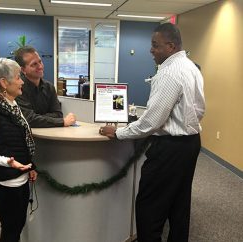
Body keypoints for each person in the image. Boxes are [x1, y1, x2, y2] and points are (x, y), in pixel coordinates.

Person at [99, 23, 205, 242]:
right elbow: (199, 109)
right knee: (179, 203)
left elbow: (151, 122)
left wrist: (118, 133)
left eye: (155, 45)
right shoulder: (191, 67)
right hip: (191, 143)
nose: (151, 50)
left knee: (149, 208)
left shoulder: (169, 73)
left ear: (171, 46)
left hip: (169, 149)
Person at [0, 58, 37, 242]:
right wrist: (7, 161)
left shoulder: (11, 105)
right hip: (5, 183)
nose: (22, 81)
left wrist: (31, 166)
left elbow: (22, 140)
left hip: (21, 179)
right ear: (4, 82)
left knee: (17, 226)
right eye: (18, 77)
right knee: (10, 231)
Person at [14, 46, 76, 128]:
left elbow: (58, 114)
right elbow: (29, 119)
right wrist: (62, 122)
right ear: (23, 70)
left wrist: (38, 118)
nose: (40, 66)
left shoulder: (49, 87)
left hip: (50, 135)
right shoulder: (18, 88)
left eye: (40, 61)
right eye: (34, 64)